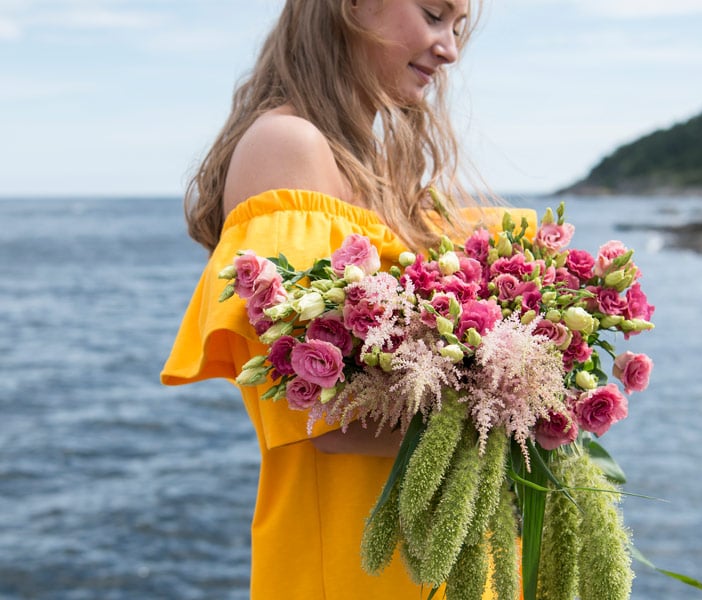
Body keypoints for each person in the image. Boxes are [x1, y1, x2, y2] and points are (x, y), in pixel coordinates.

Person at [162, 1, 531, 597]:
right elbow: (324, 414)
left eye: (457, 27)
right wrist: (524, 411)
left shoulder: (371, 167)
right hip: (359, 567)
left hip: (428, 558)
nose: (449, 49)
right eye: (433, 13)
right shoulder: (288, 145)